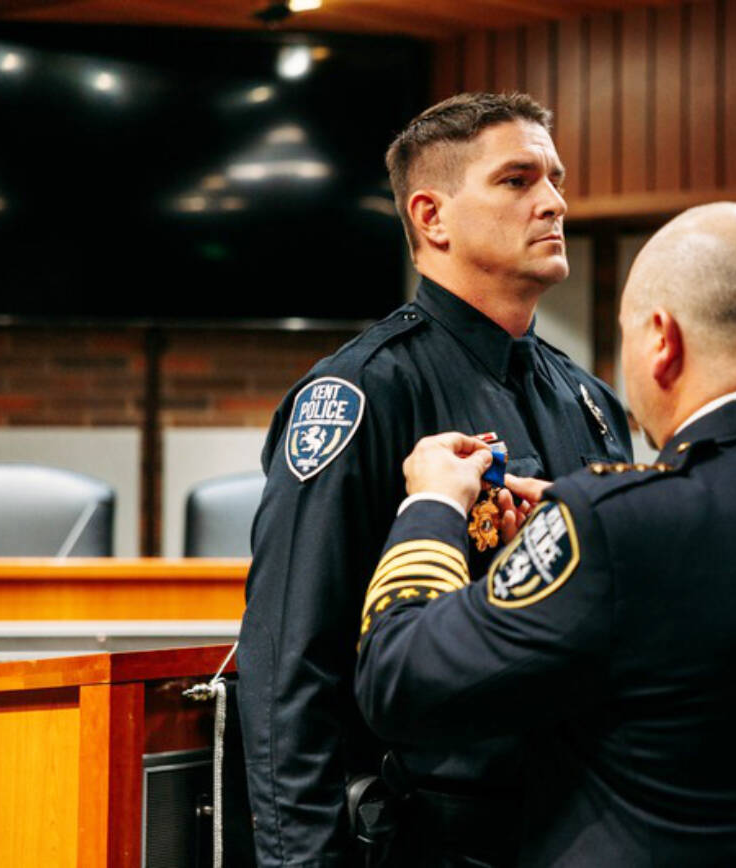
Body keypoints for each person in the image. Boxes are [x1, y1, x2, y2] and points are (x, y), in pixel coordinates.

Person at [354, 202, 736, 866]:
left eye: (626, 337)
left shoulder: (612, 527)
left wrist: (432, 504)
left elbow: (399, 680)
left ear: (662, 340)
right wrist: (592, 525)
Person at [237, 92, 632, 868]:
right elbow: (291, 662)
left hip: (585, 829)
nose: (554, 202)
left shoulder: (591, 402)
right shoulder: (361, 393)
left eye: (555, 178)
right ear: (432, 216)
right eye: (518, 181)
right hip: (436, 836)